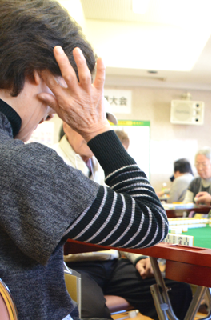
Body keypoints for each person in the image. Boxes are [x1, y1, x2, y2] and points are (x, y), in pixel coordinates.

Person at [0, 1, 167, 319]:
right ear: (41, 73)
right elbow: (151, 223)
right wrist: (98, 128)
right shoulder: (25, 166)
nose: (55, 114)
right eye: (70, 85)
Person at [56, 125, 192, 319]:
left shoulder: (105, 165)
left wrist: (138, 257)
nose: (90, 134)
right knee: (91, 311)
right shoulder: (51, 161)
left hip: (110, 261)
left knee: (177, 289)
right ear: (67, 126)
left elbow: (123, 224)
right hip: (71, 265)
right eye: (82, 126)